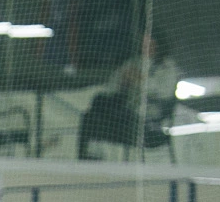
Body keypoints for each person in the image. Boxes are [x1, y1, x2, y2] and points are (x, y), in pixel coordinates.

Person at [77, 32, 179, 160]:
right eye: (143, 44)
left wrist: (141, 80)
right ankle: (89, 156)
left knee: (103, 115)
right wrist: (123, 82)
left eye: (150, 44)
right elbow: (111, 87)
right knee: (95, 108)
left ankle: (95, 152)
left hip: (150, 121)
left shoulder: (168, 67)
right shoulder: (134, 63)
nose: (145, 48)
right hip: (127, 112)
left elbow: (164, 93)